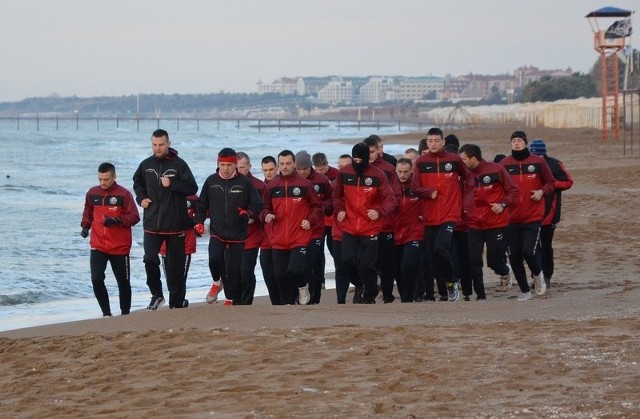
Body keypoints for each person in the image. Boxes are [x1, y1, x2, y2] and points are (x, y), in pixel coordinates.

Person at [133, 129, 198, 310]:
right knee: (149, 259)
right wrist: (141, 198)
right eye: (154, 145)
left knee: (175, 270)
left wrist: (173, 184)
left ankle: (176, 304)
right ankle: (157, 294)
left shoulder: (179, 164)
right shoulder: (146, 165)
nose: (158, 148)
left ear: (168, 143)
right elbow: (137, 182)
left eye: (161, 144)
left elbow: (192, 187)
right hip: (152, 223)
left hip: (175, 225)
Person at [411, 127, 474, 302]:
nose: (433, 144)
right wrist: (428, 192)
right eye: (430, 141)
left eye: (436, 141)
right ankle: (446, 287)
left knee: (441, 247)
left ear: (443, 141)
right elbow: (414, 188)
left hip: (450, 213)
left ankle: (452, 281)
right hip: (430, 215)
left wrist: (465, 205)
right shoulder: (421, 162)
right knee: (432, 257)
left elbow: (469, 180)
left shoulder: (454, 160)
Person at [195, 148, 263, 306]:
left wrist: (248, 214)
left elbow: (258, 206)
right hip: (217, 231)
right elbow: (201, 205)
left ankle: (229, 299)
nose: (225, 168)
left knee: (233, 271)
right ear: (218, 163)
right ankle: (216, 283)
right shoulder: (211, 181)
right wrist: (198, 222)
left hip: (238, 234)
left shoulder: (244, 183)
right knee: (214, 259)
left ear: (235, 165)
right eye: (222, 164)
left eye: (229, 165)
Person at [333, 143, 396, 304]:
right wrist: (339, 209)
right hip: (350, 226)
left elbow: (391, 200)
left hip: (371, 227)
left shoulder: (378, 175)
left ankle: (369, 296)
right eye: (355, 159)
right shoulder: (344, 173)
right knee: (347, 260)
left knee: (367, 266)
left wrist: (379, 211)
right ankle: (360, 285)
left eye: (361, 159)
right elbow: (337, 196)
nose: (357, 162)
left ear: (367, 159)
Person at [261, 150, 322, 305]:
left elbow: (317, 208)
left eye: (288, 163)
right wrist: (267, 215)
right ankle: (288, 303)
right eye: (282, 164)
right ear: (278, 165)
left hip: (299, 236)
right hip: (279, 237)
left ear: (294, 163)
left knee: (294, 269)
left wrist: (310, 221)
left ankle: (303, 287)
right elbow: (264, 208)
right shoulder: (272, 186)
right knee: (279, 274)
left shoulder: (305, 184)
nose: (285, 167)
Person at [500, 130, 556, 301]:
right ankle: (525, 291)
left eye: (519, 140)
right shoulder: (504, 164)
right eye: (514, 140)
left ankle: (538, 275)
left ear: (526, 143)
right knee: (514, 255)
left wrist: (541, 192)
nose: (516, 143)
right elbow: (498, 187)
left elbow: (551, 183)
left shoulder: (537, 162)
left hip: (533, 215)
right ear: (510, 144)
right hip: (511, 217)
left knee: (528, 252)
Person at [459, 144, 519, 300]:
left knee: (493, 261)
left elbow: (513, 190)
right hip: (473, 223)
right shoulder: (464, 175)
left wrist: (503, 204)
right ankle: (481, 295)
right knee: (474, 260)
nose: (461, 162)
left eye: (464, 159)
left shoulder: (496, 169)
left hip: (495, 222)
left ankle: (505, 271)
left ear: (473, 158)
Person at [81, 162, 140, 317]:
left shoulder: (124, 194)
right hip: (98, 245)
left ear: (114, 177)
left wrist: (116, 220)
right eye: (100, 179)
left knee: (123, 282)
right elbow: (88, 211)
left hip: (119, 246)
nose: (103, 182)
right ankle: (106, 314)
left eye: (106, 179)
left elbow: (134, 217)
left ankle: (125, 314)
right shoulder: (92, 193)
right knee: (96, 278)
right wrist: (85, 226)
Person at [529, 139, 574, 288]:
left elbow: (568, 181)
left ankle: (547, 276)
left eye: (538, 155)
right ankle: (537, 275)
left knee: (545, 246)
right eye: (533, 154)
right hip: (530, 213)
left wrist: (552, 185)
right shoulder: (528, 164)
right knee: (532, 248)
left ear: (543, 153)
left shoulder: (555, 164)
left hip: (550, 214)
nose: (536, 157)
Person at [363, 135, 401, 303]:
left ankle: (387, 296)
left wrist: (382, 211)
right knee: (367, 263)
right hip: (364, 226)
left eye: (372, 151)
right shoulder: (358, 170)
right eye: (367, 152)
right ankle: (369, 295)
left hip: (385, 224)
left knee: (387, 265)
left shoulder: (388, 169)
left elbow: (395, 196)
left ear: (378, 150)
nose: (370, 155)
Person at [295, 150, 333, 304]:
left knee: (314, 264)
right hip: (296, 230)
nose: (302, 172)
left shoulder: (322, 180)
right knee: (299, 266)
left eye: (305, 168)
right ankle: (302, 295)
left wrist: (322, 207)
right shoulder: (291, 180)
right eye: (299, 169)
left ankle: (315, 297)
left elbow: (331, 202)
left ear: (311, 166)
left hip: (317, 230)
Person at [234, 151, 266, 305]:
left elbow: (265, 209)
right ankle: (235, 300)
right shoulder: (226, 184)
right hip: (231, 237)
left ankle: (246, 303)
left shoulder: (259, 186)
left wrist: (253, 217)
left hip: (252, 236)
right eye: (237, 167)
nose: (240, 171)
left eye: (243, 167)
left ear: (249, 166)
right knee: (232, 272)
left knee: (246, 271)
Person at [393, 158, 424, 302]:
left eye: (406, 171)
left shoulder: (417, 185)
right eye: (400, 171)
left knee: (409, 263)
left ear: (412, 170)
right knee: (398, 268)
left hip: (414, 231)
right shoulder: (391, 186)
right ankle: (406, 297)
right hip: (395, 231)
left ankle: (414, 294)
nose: (403, 175)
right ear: (395, 170)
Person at [159, 194, 198, 289]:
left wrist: (192, 222)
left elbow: (203, 213)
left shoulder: (192, 197)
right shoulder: (160, 194)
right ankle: (175, 300)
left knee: (181, 276)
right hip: (166, 241)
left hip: (186, 241)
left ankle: (179, 300)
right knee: (169, 277)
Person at [258, 155, 280, 305]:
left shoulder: (283, 185)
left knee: (283, 275)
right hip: (265, 241)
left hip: (283, 240)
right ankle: (276, 305)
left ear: (277, 168)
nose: (269, 173)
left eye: (271, 169)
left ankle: (290, 303)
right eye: (265, 170)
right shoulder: (259, 188)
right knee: (269, 277)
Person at [331, 154, 353, 304]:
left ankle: (360, 287)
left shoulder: (359, 184)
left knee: (354, 264)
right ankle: (341, 300)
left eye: (346, 166)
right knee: (340, 267)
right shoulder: (332, 185)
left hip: (356, 233)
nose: (342, 169)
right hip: (338, 233)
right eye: (340, 166)